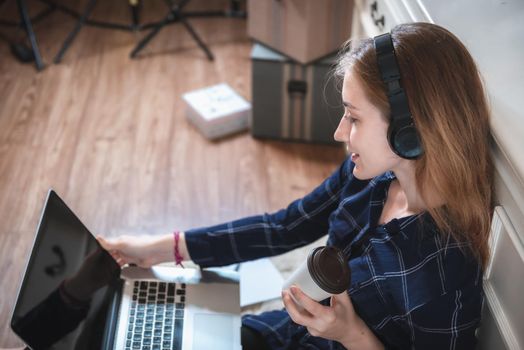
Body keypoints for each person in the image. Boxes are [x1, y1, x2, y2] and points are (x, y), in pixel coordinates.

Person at [98, 22, 494, 349]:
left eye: (354, 119)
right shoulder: (370, 177)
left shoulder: (446, 267)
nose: (340, 132)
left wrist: (351, 334)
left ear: (410, 131)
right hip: (289, 334)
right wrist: (156, 249)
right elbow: (283, 227)